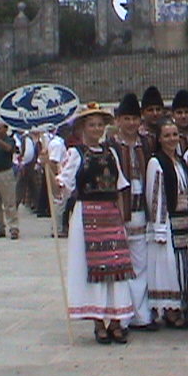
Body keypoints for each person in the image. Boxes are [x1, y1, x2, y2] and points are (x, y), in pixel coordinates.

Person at [50, 104, 135, 344]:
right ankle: (98, 322)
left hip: (111, 215)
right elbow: (62, 186)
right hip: (87, 214)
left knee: (117, 268)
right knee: (92, 270)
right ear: (82, 128)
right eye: (92, 125)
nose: (96, 129)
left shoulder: (111, 153)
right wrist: (49, 167)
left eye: (99, 124)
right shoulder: (76, 153)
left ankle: (116, 320)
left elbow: (119, 186)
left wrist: (121, 218)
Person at [108, 93, 157, 332]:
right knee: (120, 266)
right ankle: (122, 317)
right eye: (126, 118)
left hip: (141, 212)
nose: (130, 123)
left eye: (134, 119)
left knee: (141, 266)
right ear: (118, 120)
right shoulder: (110, 147)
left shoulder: (146, 144)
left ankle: (141, 315)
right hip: (119, 211)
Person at [145, 118, 188, 329]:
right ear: (159, 138)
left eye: (174, 134)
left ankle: (184, 306)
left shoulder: (181, 161)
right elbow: (155, 195)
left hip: (185, 220)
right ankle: (170, 311)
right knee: (170, 266)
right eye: (167, 135)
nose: (171, 139)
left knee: (185, 263)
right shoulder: (156, 162)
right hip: (168, 221)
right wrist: (159, 227)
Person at [140, 86, 165, 153]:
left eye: (158, 109)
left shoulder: (170, 135)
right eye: (150, 110)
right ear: (142, 112)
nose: (155, 113)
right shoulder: (138, 137)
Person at [171, 89, 188, 154]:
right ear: (173, 114)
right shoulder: (169, 139)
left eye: (187, 112)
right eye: (179, 112)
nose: (183, 116)